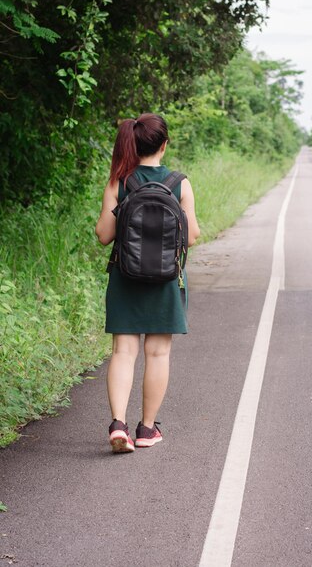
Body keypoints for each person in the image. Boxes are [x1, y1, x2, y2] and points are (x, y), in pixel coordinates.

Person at [95, 113, 200, 453]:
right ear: (164, 145)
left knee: (123, 352)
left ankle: (118, 424)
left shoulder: (120, 180)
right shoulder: (179, 183)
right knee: (157, 353)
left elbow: (103, 236)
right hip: (166, 282)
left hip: (125, 279)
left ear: (133, 144)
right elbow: (193, 236)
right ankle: (147, 429)